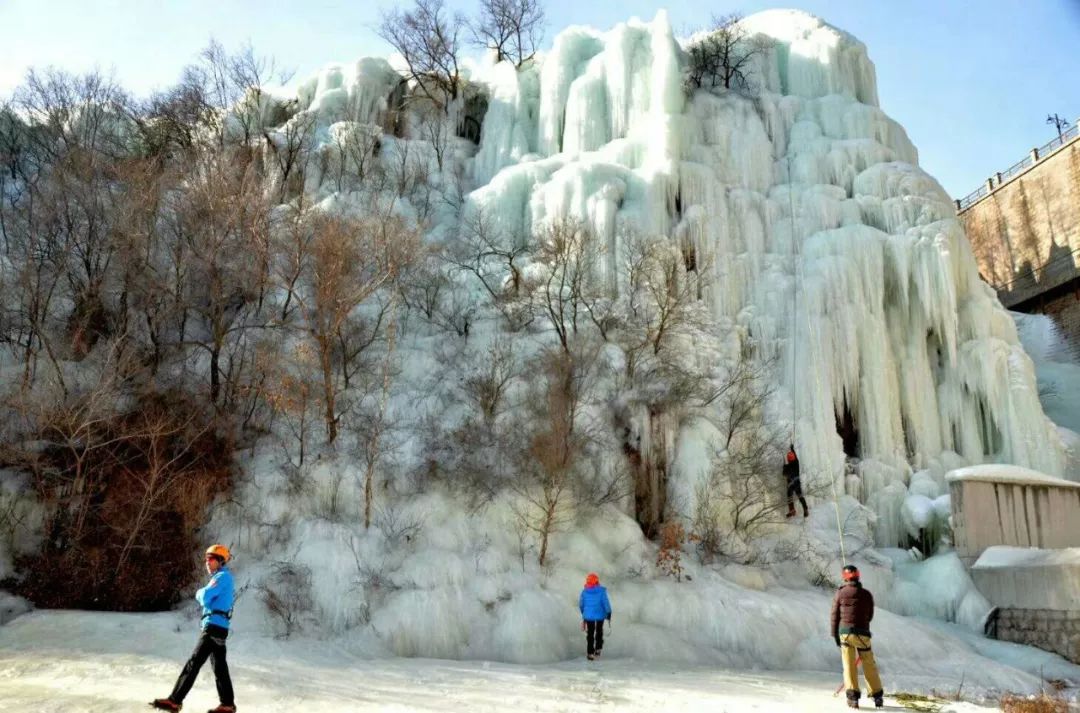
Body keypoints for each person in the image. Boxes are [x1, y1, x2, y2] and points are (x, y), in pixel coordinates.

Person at [152, 545, 236, 713]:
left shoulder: (222, 577)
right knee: (219, 667)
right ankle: (227, 704)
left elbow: (204, 597)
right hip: (218, 626)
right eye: (206, 559)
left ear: (220, 561)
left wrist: (200, 593)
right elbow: (208, 599)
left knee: (194, 663)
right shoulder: (222, 577)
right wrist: (206, 597)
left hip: (213, 627)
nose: (207, 563)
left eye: (211, 559)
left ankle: (175, 701)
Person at [830, 565, 883, 709]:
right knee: (869, 664)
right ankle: (877, 696)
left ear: (845, 578)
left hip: (846, 634)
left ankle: (853, 699)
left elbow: (835, 616)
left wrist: (834, 634)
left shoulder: (840, 593)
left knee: (849, 665)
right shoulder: (866, 594)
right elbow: (870, 615)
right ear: (858, 576)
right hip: (862, 634)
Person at [578, 572, 611, 661]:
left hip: (588, 616)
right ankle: (598, 649)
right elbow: (605, 603)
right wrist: (608, 612)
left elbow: (581, 604)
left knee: (590, 634)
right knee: (599, 631)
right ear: (596, 581)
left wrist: (583, 613)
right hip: (600, 615)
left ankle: (590, 653)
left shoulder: (584, 592)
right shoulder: (601, 591)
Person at [784, 445, 809, 518]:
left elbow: (784, 474)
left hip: (791, 484)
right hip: (797, 483)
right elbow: (796, 457)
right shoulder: (796, 463)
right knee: (800, 496)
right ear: (793, 458)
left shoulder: (787, 467)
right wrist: (792, 449)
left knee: (789, 497)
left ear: (788, 459)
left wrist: (784, 467)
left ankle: (792, 510)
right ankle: (805, 509)